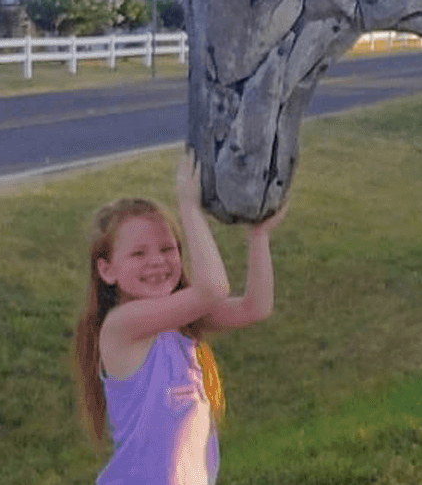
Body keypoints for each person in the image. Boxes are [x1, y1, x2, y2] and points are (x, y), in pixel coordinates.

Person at [71, 155, 287, 484]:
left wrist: (258, 236)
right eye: (138, 253)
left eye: (167, 248)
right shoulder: (122, 326)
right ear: (106, 270)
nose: (157, 262)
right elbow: (213, 288)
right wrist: (189, 205)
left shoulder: (180, 323)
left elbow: (255, 308)